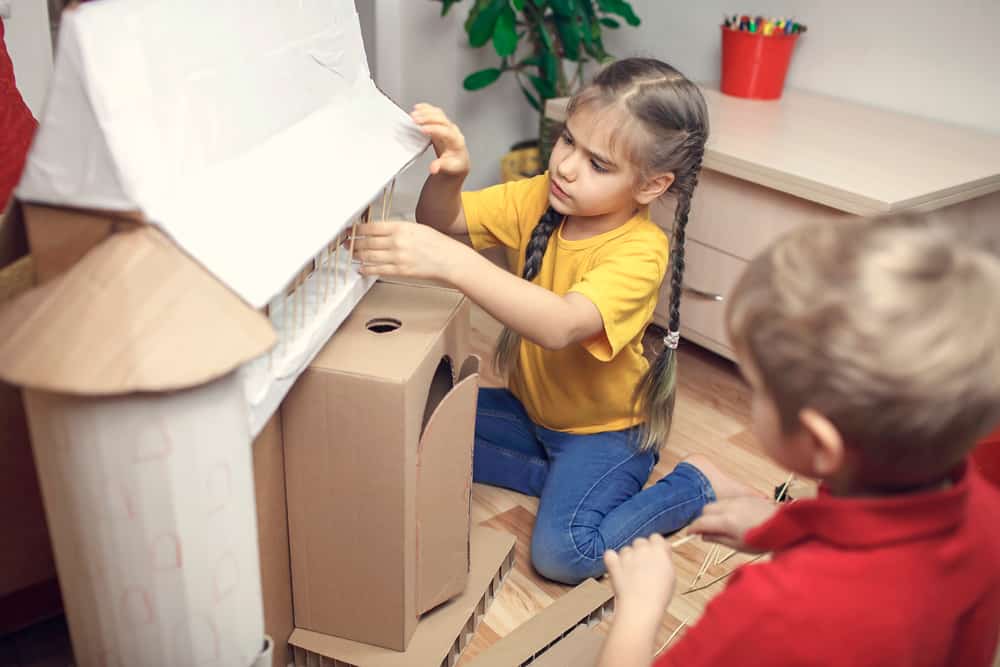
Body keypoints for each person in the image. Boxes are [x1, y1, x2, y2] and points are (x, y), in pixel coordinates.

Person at [353, 58, 757, 584]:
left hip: (607, 433)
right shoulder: (541, 193)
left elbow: (559, 324)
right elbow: (442, 220)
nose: (566, 166)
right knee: (416, 428)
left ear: (652, 186)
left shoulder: (640, 252)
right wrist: (451, 172)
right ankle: (565, 482)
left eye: (599, 164)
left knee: (563, 554)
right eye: (568, 141)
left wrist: (451, 264)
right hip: (534, 412)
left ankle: (694, 484)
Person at [598, 215, 1000, 666]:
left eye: (757, 386)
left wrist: (639, 610)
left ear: (820, 443)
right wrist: (788, 526)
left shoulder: (773, 612)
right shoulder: (987, 513)